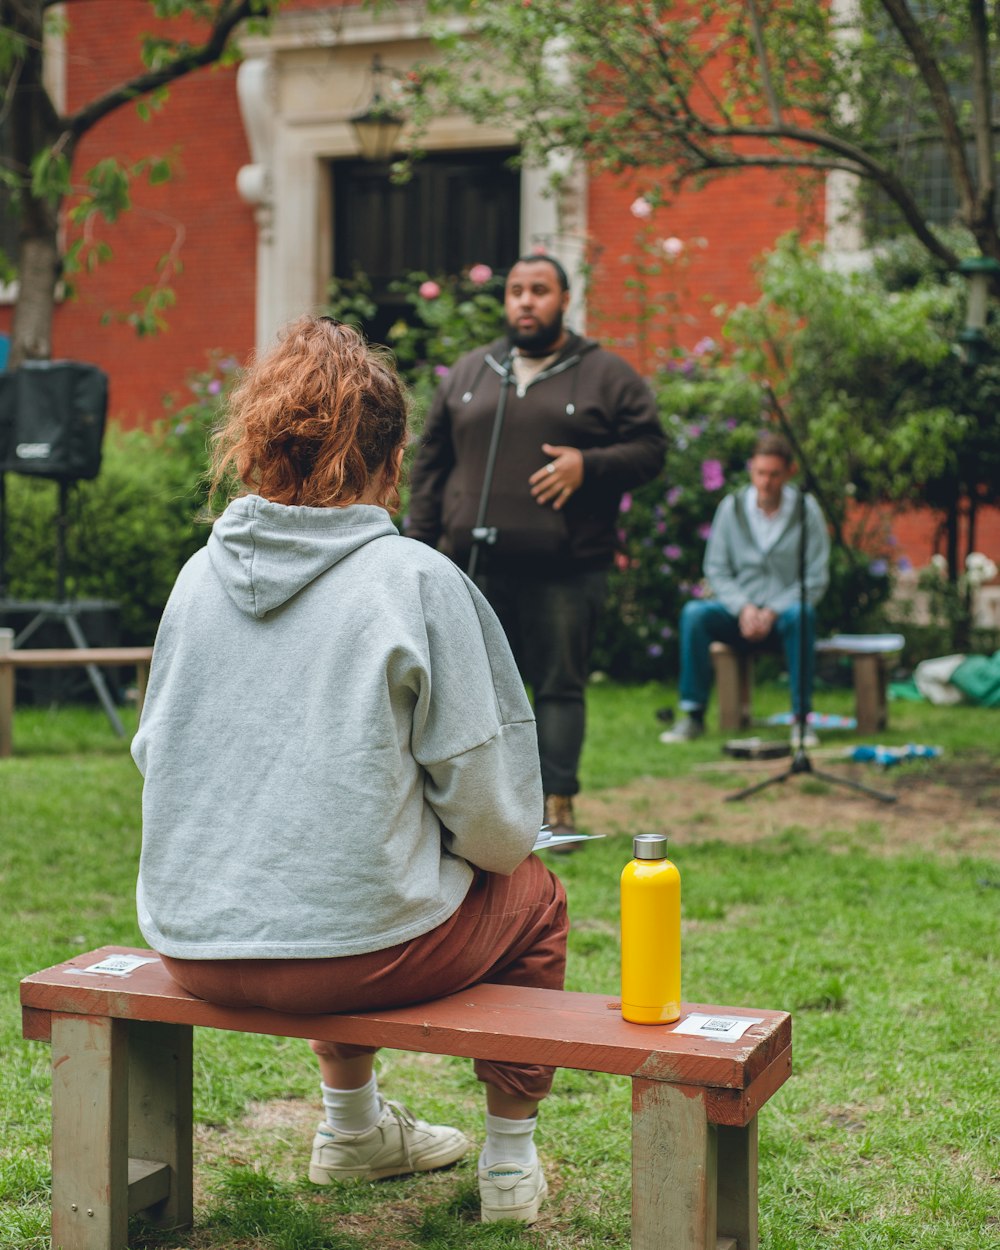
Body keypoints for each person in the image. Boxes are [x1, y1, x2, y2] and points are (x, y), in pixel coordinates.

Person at [131, 317, 568, 1226]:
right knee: (536, 894)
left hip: (190, 940)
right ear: (395, 456)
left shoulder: (194, 579)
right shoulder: (413, 580)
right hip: (353, 955)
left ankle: (354, 1127)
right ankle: (510, 1165)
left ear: (255, 443)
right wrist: (472, 845)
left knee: (345, 858)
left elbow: (154, 755)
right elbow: (494, 828)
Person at [407, 253, 667, 843]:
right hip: (471, 567)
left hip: (565, 569)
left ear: (564, 300)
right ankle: (475, 808)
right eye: (517, 291)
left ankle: (559, 803)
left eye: (540, 290)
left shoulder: (604, 374)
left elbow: (652, 448)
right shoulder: (473, 373)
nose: (526, 301)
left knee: (557, 686)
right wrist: (417, 549)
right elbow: (431, 467)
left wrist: (590, 465)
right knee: (467, 694)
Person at [660, 430, 830, 747]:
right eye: (760, 473)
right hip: (739, 614)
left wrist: (772, 610)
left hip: (784, 618)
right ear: (751, 469)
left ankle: (802, 720)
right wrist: (745, 608)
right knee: (694, 614)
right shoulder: (732, 507)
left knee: (804, 614)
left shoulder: (807, 511)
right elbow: (716, 568)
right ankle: (693, 715)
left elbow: (816, 577)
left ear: (789, 472)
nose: (766, 482)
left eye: (774, 475)